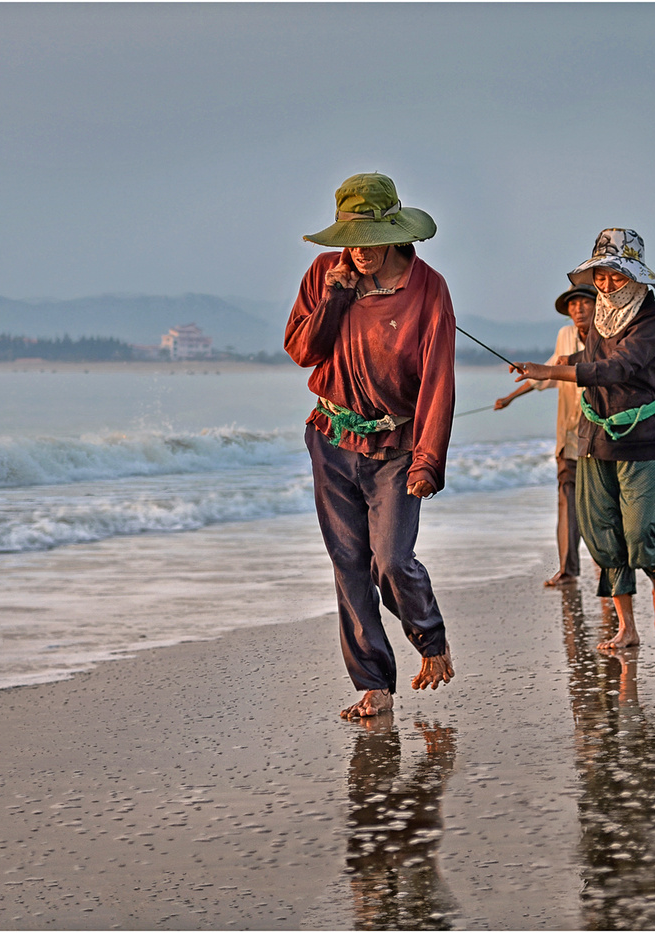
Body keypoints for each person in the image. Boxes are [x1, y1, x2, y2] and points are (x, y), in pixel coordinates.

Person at [285, 172, 456, 719]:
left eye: (371, 238)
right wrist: (334, 296)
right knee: (350, 564)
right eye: (351, 239)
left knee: (393, 560)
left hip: (397, 446)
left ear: (395, 232)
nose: (359, 250)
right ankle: (373, 685)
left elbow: (438, 381)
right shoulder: (324, 274)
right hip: (331, 438)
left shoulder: (428, 289)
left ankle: (430, 640)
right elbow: (302, 351)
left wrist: (428, 459)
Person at [509, 229, 655, 650]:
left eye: (615, 276)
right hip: (594, 435)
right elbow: (588, 359)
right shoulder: (599, 317)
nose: (605, 284)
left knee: (639, 532)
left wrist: (551, 371)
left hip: (643, 437)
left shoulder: (652, 321)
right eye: (600, 275)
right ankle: (627, 626)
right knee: (602, 531)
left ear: (635, 276)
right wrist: (544, 366)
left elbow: (616, 368)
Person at [495, 284, 598, 587]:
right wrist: (510, 397)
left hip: (601, 437)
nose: (578, 309)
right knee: (566, 502)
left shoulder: (608, 335)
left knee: (601, 504)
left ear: (598, 305)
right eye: (573, 304)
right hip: (569, 436)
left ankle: (608, 568)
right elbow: (547, 373)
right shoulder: (565, 335)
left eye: (585, 302)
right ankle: (567, 570)